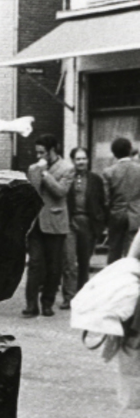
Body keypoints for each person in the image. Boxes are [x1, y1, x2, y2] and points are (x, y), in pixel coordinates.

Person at [24, 133, 74, 317]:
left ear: (52, 150)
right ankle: (31, 305)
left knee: (54, 266)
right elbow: (32, 192)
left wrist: (45, 174)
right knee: (35, 264)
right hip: (36, 223)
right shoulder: (33, 168)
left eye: (42, 152)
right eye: (37, 152)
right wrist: (37, 171)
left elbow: (61, 192)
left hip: (55, 222)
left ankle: (47, 303)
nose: (39, 156)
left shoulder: (67, 168)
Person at [61, 147, 106, 309]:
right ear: (73, 160)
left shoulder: (96, 179)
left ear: (88, 160)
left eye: (84, 158)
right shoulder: (67, 177)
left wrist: (100, 226)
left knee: (84, 262)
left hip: (88, 223)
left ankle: (82, 296)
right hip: (70, 223)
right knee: (69, 262)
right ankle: (69, 297)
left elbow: (102, 202)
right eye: (78, 159)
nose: (81, 162)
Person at [101, 136, 140, 264]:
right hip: (136, 215)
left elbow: (106, 199)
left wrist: (107, 218)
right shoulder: (138, 170)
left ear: (114, 153)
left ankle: (114, 275)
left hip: (116, 215)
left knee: (114, 252)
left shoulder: (109, 172)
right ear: (130, 150)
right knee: (133, 254)